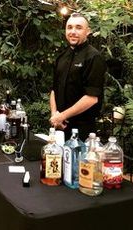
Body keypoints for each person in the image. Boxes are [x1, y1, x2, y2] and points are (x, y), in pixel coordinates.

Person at [49, 13, 107, 141]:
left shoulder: (94, 57)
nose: (73, 31)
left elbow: (92, 98)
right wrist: (55, 115)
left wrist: (62, 116)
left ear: (88, 31)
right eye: (69, 27)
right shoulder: (61, 56)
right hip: (59, 126)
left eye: (78, 27)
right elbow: (54, 89)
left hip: (82, 129)